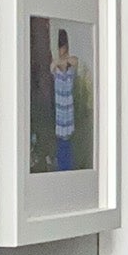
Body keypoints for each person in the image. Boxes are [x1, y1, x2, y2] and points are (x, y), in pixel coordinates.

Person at [51, 29, 79, 171]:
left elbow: (74, 61)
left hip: (68, 118)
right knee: (62, 152)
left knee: (67, 152)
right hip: (60, 119)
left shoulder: (70, 66)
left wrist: (65, 59)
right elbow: (53, 66)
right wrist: (60, 61)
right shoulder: (56, 67)